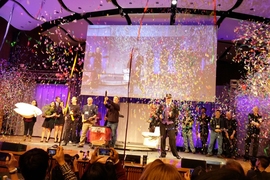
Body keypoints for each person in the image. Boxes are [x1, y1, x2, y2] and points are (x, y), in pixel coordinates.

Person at [159, 94, 181, 159]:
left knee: (172, 139)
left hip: (170, 124)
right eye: (167, 98)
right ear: (165, 99)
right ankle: (163, 153)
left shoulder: (174, 106)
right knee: (162, 138)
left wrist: (172, 115)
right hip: (163, 124)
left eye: (169, 98)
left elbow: (177, 114)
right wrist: (160, 116)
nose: (168, 99)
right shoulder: (162, 105)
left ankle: (175, 154)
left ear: (171, 99)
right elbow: (158, 113)